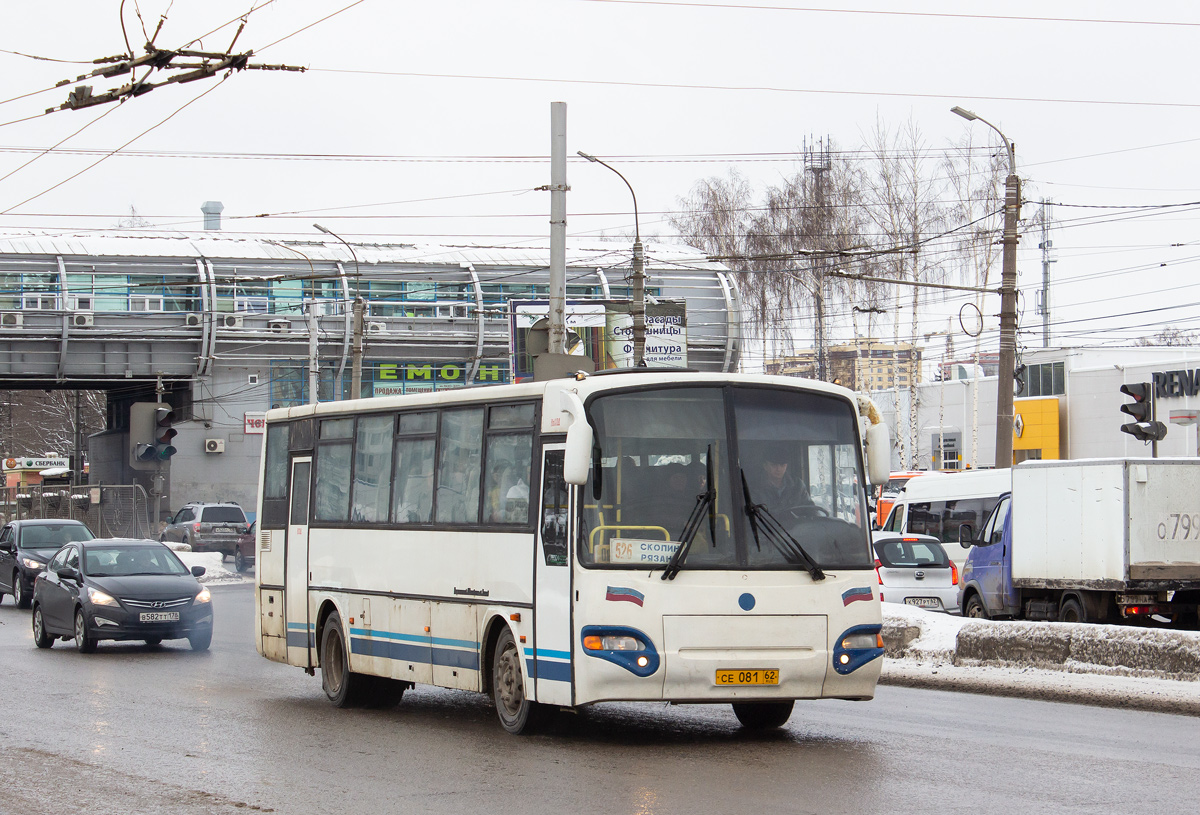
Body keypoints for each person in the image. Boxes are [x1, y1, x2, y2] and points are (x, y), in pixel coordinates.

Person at [753, 450, 814, 518]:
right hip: (769, 528)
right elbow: (755, 518)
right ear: (765, 466)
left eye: (782, 465)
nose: (778, 469)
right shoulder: (755, 488)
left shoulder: (798, 485)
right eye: (774, 465)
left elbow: (811, 509)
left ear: (786, 466)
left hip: (798, 527)